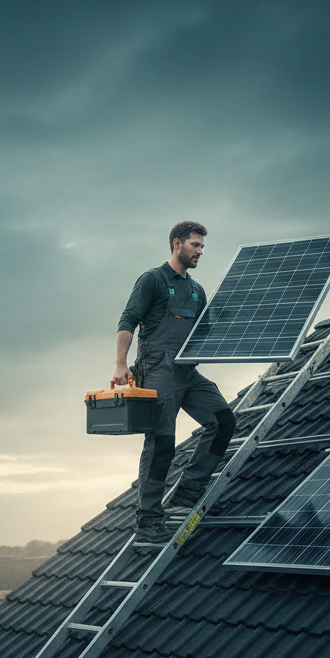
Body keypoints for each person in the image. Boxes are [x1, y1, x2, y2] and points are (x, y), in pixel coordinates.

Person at [113, 222, 237, 543]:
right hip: (156, 372)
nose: (200, 252)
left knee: (223, 420)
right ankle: (148, 518)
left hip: (187, 373)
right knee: (161, 446)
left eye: (202, 247)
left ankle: (190, 488)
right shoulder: (152, 280)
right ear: (177, 243)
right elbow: (128, 319)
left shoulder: (197, 291)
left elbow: (205, 333)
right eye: (195, 245)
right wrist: (120, 364)